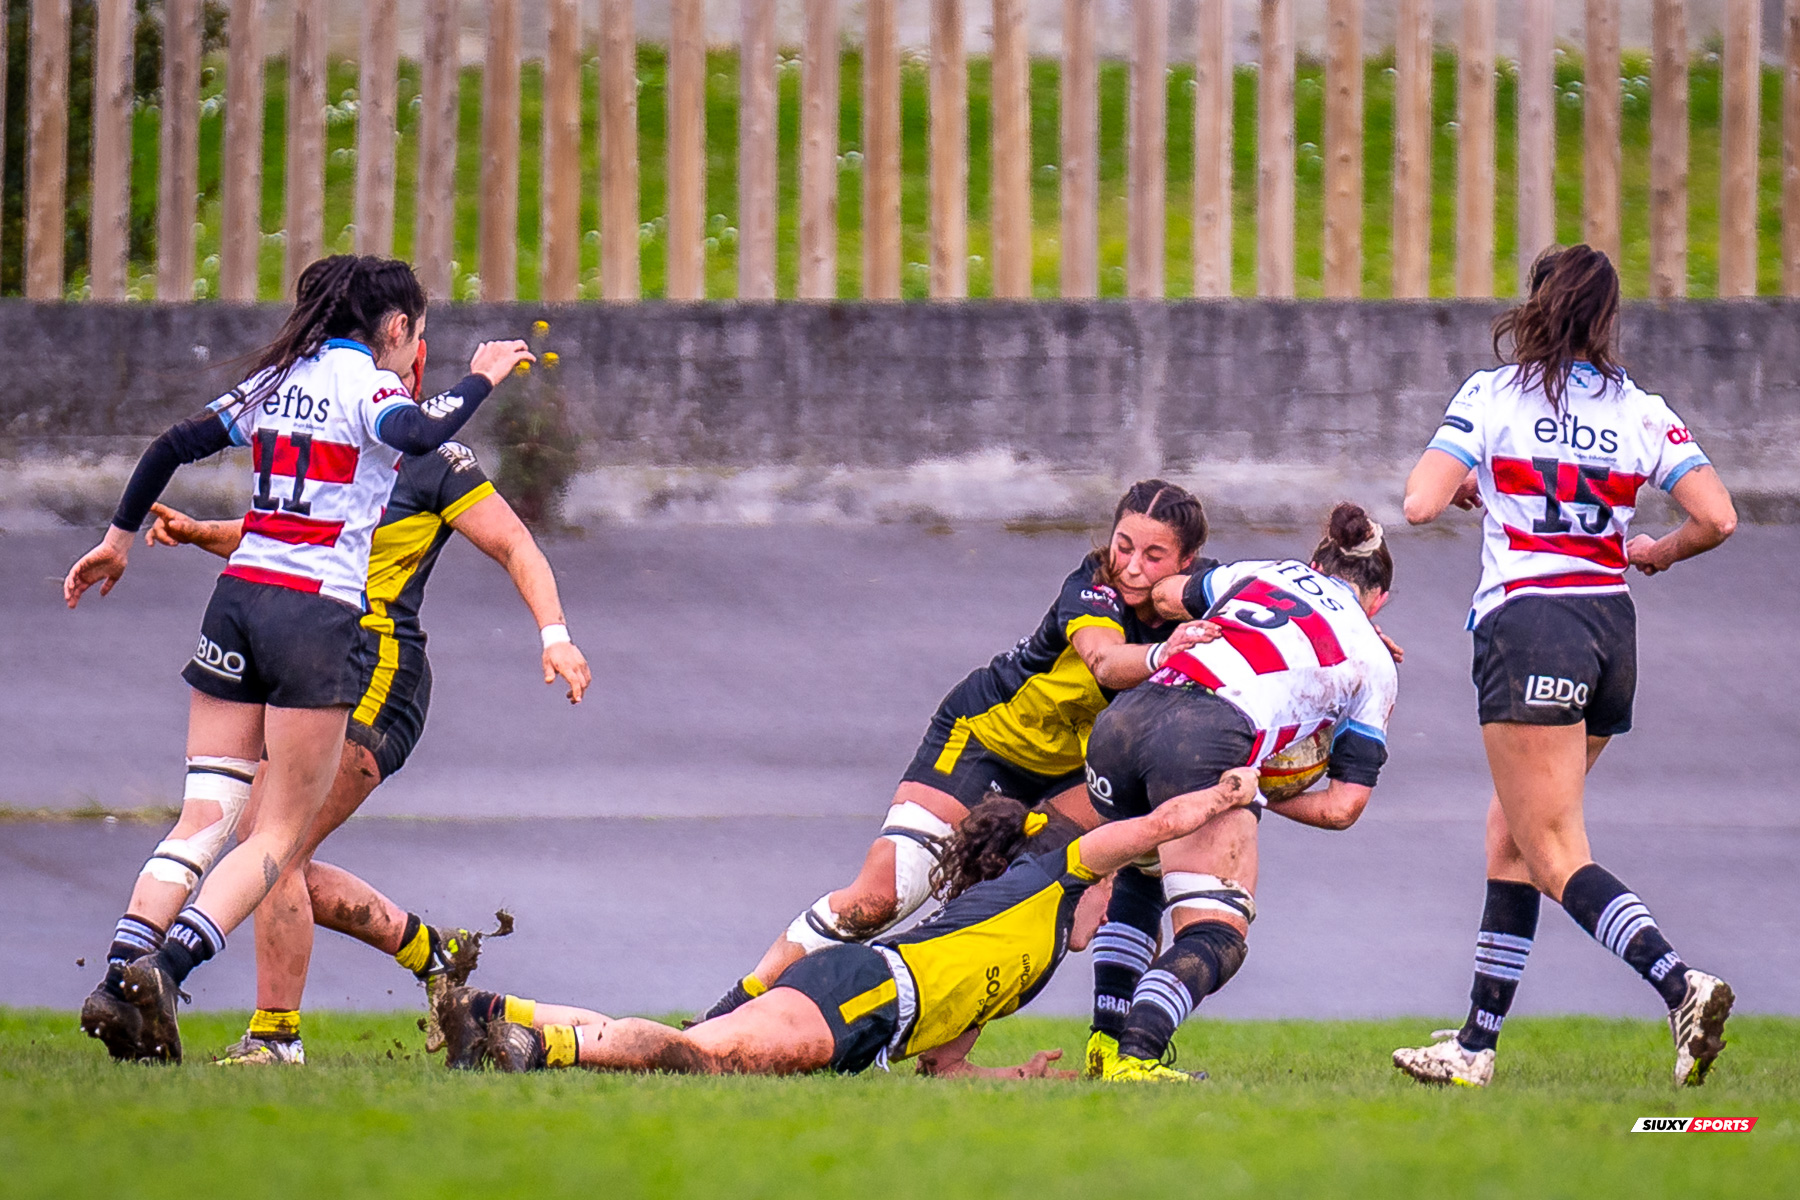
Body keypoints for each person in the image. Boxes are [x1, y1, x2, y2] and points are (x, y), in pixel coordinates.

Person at [65, 254, 534, 1063]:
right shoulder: (370, 386)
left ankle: (118, 977)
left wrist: (116, 540)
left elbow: (173, 443)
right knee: (276, 839)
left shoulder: (276, 378)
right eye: (414, 335)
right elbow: (418, 431)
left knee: (203, 817)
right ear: (393, 329)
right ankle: (166, 973)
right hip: (312, 618)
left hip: (235, 602)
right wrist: (483, 377)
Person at [1393, 244, 1737, 1090]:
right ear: (1605, 318)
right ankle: (1475, 1045)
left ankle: (1678, 981)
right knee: (1511, 833)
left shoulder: (1493, 394)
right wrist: (1655, 551)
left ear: (1538, 306)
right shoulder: (1641, 409)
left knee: (1549, 848)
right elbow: (1719, 518)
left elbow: (1418, 501)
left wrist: (1472, 485)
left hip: (1529, 623)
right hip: (1610, 629)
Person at [139, 431, 591, 1066]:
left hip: (380, 678)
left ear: (408, 342)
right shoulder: (341, 435)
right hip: (314, 668)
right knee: (264, 853)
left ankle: (276, 1039)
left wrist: (555, 636)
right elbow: (281, 539)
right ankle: (429, 954)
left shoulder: (435, 455)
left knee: (278, 852)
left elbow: (514, 541)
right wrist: (199, 531)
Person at [700, 481, 1218, 1021]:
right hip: (984, 741)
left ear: (1187, 560)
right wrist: (1165, 652)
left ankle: (1096, 1047)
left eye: (1153, 555)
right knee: (882, 897)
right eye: (1123, 545)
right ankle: (733, 1010)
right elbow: (1106, 663)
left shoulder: (1207, 600)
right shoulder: (1092, 586)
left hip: (1074, 774)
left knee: (1029, 914)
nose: (1131, 566)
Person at [435, 767, 1263, 1077]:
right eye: (1112, 892)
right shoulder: (1049, 872)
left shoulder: (1033, 961)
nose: (1112, 907)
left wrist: (1015, 1082)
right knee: (701, 1060)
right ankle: (533, 1052)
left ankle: (496, 1015)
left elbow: (944, 1068)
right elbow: (1150, 829)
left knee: (697, 1043)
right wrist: (1222, 798)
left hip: (873, 1017)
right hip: (865, 988)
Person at [1078, 502, 1400, 1082]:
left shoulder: (1264, 573)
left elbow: (1167, 594)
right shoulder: (1374, 660)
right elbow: (1344, 805)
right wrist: (1251, 790)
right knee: (1216, 931)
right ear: (1377, 603)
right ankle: (1138, 1056)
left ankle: (1103, 1043)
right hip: (1203, 740)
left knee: (1142, 872)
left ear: (1316, 561)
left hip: (1121, 725)